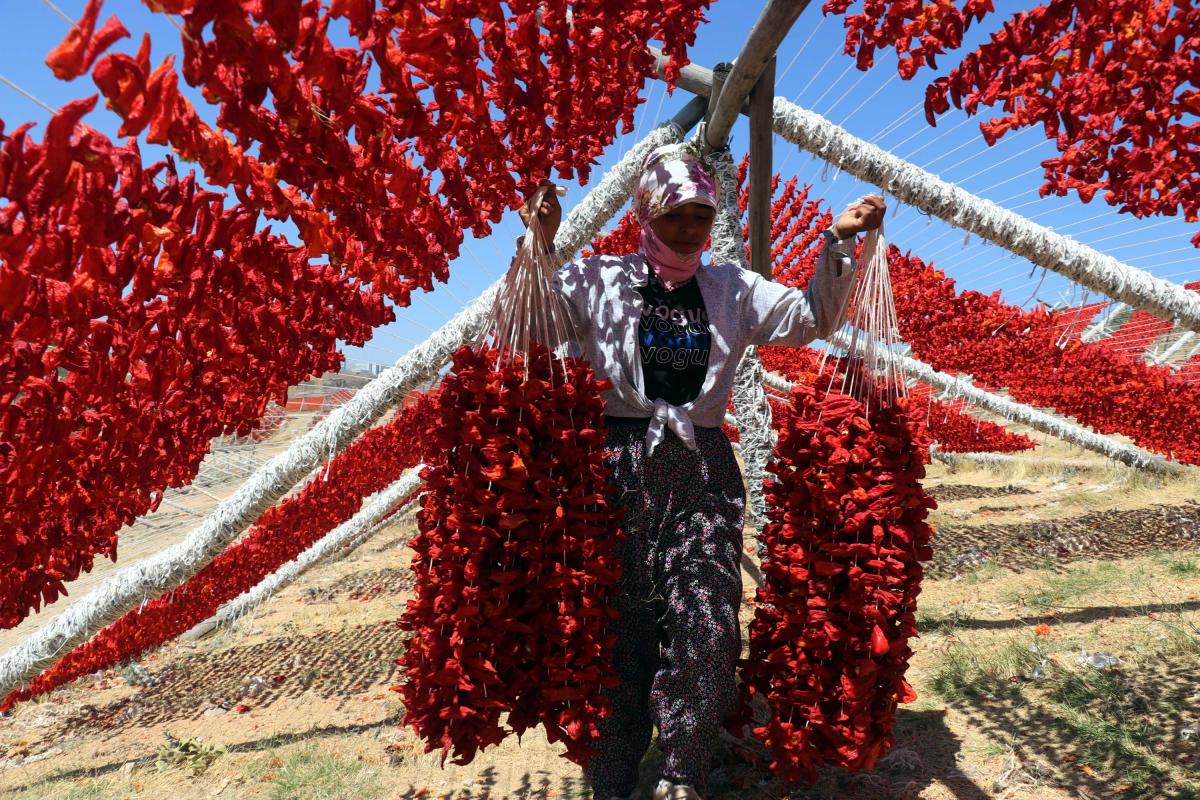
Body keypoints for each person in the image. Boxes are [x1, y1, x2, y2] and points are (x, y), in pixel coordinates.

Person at [517, 144, 885, 800]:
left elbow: (811, 317)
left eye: (700, 215)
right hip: (612, 468)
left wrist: (837, 242)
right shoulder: (598, 278)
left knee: (708, 624)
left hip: (700, 471)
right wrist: (539, 246)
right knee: (618, 633)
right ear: (645, 213)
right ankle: (612, 778)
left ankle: (681, 773)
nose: (689, 228)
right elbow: (533, 328)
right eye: (674, 214)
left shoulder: (731, 288)